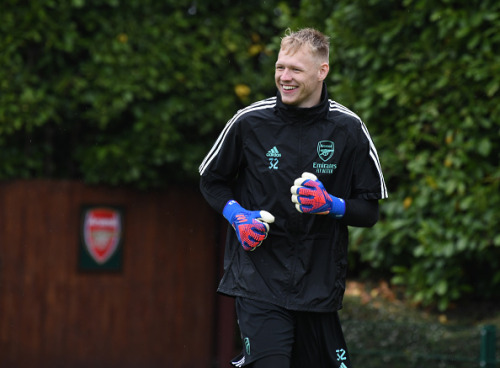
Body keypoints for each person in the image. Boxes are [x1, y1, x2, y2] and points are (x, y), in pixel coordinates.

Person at [199, 28, 388, 368]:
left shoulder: (349, 128)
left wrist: (332, 205)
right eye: (280, 67)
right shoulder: (249, 121)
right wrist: (237, 215)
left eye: (295, 70)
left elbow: (369, 210)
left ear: (322, 71)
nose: (284, 78)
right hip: (258, 279)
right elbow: (211, 180)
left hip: (319, 284)